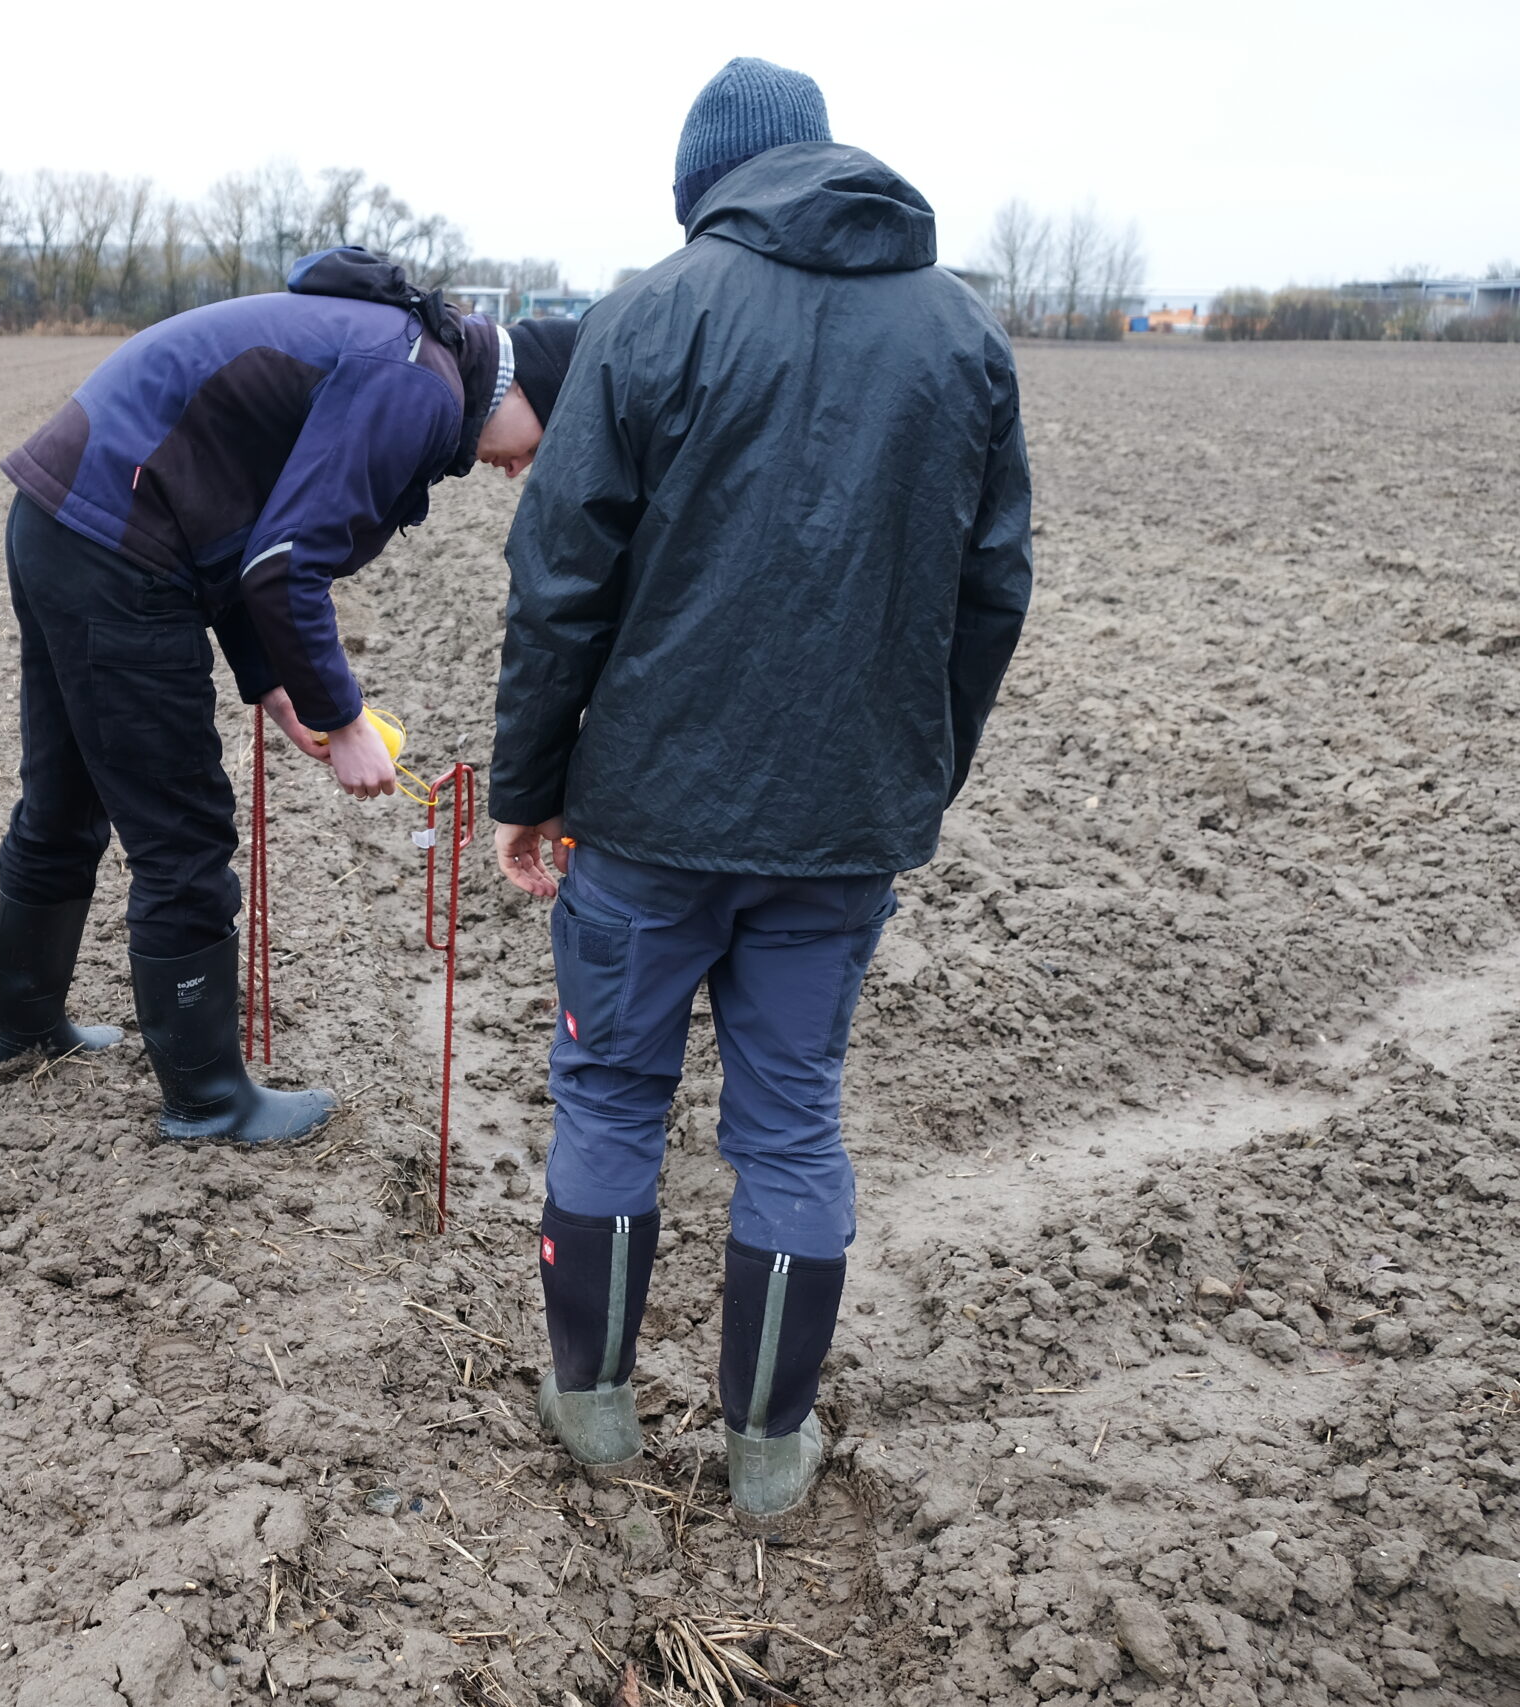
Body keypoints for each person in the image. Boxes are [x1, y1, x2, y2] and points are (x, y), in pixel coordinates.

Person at [491, 58, 1033, 1518]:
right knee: (792, 1119)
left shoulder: (651, 312)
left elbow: (560, 581)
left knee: (610, 1093)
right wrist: (912, 779)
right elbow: (994, 592)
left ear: (704, 186)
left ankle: (591, 1393)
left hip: (650, 817)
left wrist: (529, 786)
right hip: (843, 823)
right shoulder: (962, 334)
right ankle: (769, 1443)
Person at [0, 247, 579, 1144]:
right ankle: (211, 1102)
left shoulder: (409, 354)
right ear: (527, 390)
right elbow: (283, 563)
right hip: (119, 544)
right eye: (547, 443)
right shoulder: (417, 384)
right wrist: (342, 720)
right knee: (183, 831)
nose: (526, 468)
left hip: (67, 517)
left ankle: (25, 1026)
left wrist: (270, 683)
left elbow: (241, 515)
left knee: (66, 796)